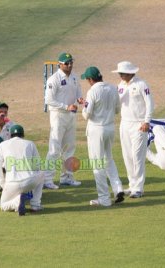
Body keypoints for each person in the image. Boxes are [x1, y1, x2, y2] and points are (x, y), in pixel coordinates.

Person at [81, 67, 125, 207]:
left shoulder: (92, 91)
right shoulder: (113, 88)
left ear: (90, 79)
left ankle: (104, 199)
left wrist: (83, 107)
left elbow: (86, 114)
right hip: (110, 128)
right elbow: (118, 110)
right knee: (108, 159)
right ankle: (118, 188)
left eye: (87, 79)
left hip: (96, 130)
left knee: (97, 164)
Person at [112, 61, 154, 198]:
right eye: (119, 73)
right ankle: (132, 185)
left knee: (137, 156)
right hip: (125, 124)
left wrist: (147, 121)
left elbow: (150, 103)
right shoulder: (120, 86)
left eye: (122, 73)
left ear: (130, 73)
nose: (120, 75)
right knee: (127, 155)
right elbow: (117, 104)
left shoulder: (142, 84)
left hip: (139, 124)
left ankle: (139, 188)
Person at [44, 52, 83, 189]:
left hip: (71, 116)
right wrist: (66, 106)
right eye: (67, 63)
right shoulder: (53, 79)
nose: (70, 65)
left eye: (71, 62)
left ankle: (66, 177)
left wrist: (79, 99)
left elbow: (78, 91)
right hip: (58, 116)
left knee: (69, 148)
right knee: (54, 149)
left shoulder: (73, 77)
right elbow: (48, 100)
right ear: (60, 64)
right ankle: (47, 179)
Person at [0, 125, 44, 216]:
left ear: (10, 135)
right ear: (23, 135)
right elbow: (38, 165)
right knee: (41, 174)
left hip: (11, 183)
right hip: (29, 181)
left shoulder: (2, 145)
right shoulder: (30, 143)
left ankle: (17, 202)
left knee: (3, 206)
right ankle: (35, 204)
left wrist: (3, 185)